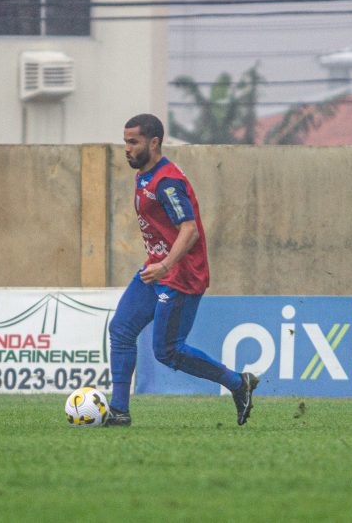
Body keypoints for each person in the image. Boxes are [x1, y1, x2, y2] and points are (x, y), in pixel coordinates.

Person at [107, 113, 258, 427]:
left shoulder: (168, 182)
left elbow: (188, 230)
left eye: (133, 142)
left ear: (154, 142)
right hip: (157, 270)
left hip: (181, 276)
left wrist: (164, 265)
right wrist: (157, 264)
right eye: (125, 141)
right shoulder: (144, 175)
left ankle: (236, 383)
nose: (127, 148)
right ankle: (119, 411)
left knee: (167, 351)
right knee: (120, 330)